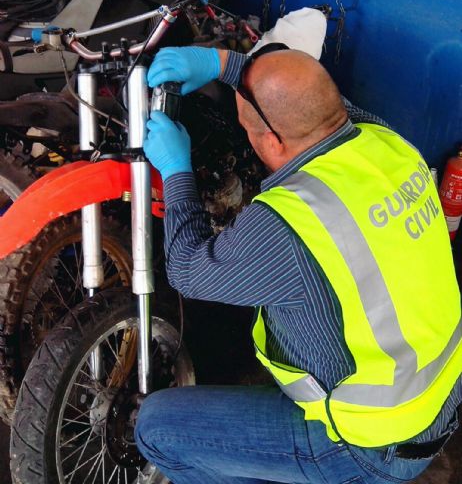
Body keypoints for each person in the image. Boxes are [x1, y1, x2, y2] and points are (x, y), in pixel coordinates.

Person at [135, 45, 462, 484]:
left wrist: (176, 171)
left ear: (271, 142)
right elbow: (325, 106)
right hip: (441, 393)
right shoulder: (385, 140)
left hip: (372, 443)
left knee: (155, 426)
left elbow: (188, 270)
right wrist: (225, 65)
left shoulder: (290, 221)